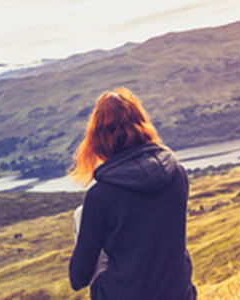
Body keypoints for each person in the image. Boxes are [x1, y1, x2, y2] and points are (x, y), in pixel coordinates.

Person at [68, 87, 197, 300]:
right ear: (142, 125)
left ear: (97, 137)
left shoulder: (100, 196)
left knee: (80, 215)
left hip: (125, 295)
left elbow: (78, 277)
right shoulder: (177, 173)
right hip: (179, 294)